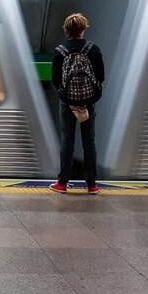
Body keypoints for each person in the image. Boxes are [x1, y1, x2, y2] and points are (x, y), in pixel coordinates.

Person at [50, 13, 104, 195]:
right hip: (88, 102)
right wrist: (88, 95)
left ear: (66, 30)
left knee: (68, 140)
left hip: (67, 103)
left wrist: (68, 96)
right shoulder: (93, 49)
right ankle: (92, 185)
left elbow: (56, 80)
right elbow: (101, 76)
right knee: (89, 140)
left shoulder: (60, 51)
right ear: (83, 29)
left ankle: (62, 183)